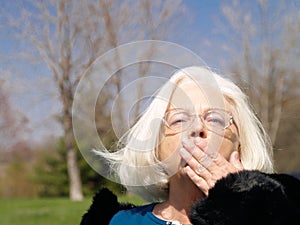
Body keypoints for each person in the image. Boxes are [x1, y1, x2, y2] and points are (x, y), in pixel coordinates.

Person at [95, 66, 275, 225]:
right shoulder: (124, 222)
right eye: (179, 119)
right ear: (155, 146)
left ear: (241, 145)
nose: (197, 128)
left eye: (215, 119)